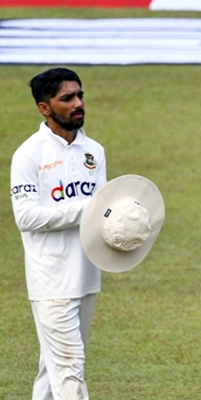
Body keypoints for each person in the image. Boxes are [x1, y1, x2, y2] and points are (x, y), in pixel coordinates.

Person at [10, 67, 107, 400]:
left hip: (87, 275)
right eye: (67, 98)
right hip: (51, 280)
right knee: (69, 369)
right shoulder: (29, 154)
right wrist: (86, 209)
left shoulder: (94, 151)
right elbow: (25, 216)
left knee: (51, 370)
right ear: (44, 108)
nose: (77, 103)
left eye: (79, 95)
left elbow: (103, 212)